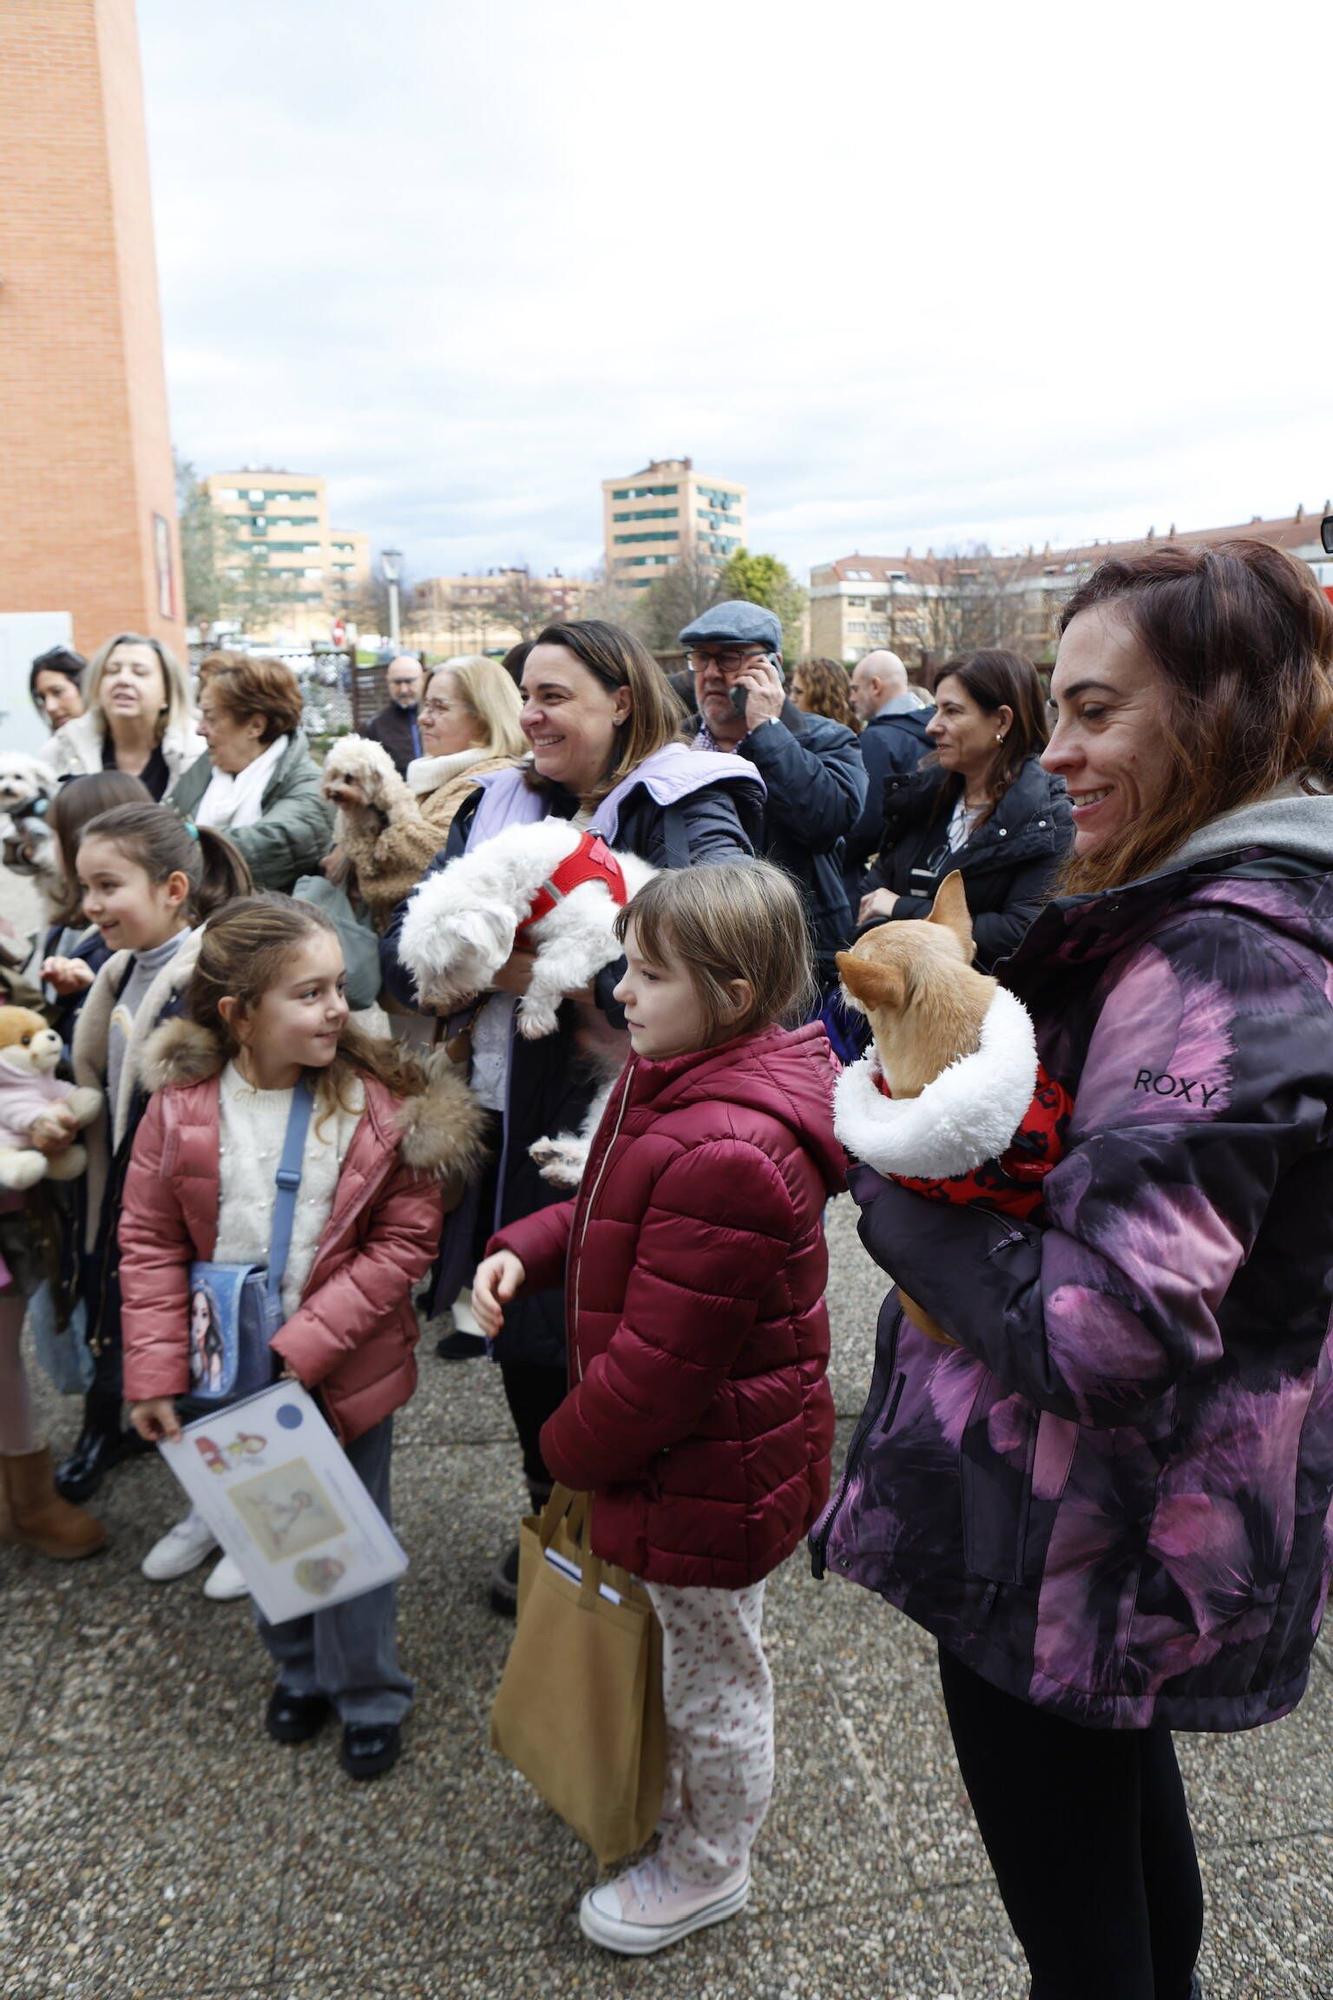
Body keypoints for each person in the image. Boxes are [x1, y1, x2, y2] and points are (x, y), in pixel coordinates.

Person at [814, 539, 1333, 2000]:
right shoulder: (1215, 904)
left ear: (1227, 711)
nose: (1062, 755)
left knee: (1083, 1934)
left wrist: (896, 1190)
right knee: (1121, 1878)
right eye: (1057, 712)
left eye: (1100, 712)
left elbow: (1104, 1332)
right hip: (1116, 1534)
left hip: (1083, 1533)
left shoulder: (1226, 955)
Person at [473, 861, 840, 1954]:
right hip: (709, 1457)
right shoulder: (673, 1074)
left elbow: (660, 1369)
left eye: (645, 971)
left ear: (729, 992)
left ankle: (708, 1861)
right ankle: (678, 1802)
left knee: (717, 1676)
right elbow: (606, 1213)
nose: (617, 988)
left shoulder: (727, 1143)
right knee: (704, 1651)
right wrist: (524, 1249)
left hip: (706, 1467)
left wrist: (565, 1448)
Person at [381, 618, 765, 1613]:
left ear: (622, 698)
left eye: (555, 694)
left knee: (609, 1341)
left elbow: (727, 956)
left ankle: (617, 1535)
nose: (534, 715)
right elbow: (403, 953)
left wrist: (517, 962)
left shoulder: (690, 802)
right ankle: (554, 1517)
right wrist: (498, 962)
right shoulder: (503, 801)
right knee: (520, 1331)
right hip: (510, 1110)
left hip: (619, 1123)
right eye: (527, 695)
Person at [120, 894, 485, 1779]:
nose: (338, 1010)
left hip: (341, 1369)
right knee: (271, 1534)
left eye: (340, 990)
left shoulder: (376, 1105)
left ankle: (369, 1691)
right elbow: (150, 1242)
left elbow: (405, 1244)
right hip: (230, 1368)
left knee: (346, 1543)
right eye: (309, 994)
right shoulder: (182, 1110)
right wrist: (156, 1374)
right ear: (239, 1014)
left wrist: (308, 1346)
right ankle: (298, 1672)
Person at [53, 805, 252, 1524]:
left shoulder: (209, 974)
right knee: (113, 1307)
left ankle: (222, 1497)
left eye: (108, 887)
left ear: (173, 888)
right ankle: (108, 1427)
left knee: (190, 1328)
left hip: (190, 1200)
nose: (90, 905)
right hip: (117, 1185)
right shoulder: (116, 971)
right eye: (85, 887)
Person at [679, 602, 867, 991]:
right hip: (688, 955)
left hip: (792, 964)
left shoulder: (827, 739)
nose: (711, 673)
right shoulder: (671, 746)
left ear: (773, 667)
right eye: (701, 658)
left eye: (729, 657)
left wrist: (766, 730)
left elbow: (826, 821)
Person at [858, 649, 1072, 973]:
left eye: (952, 711)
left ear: (1001, 720)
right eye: (936, 709)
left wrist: (901, 907)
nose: (932, 726)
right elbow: (872, 897)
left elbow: (1020, 930)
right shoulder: (923, 798)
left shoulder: (1045, 816)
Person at [333, 655, 525, 923]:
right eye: (426, 706)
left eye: (439, 707)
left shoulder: (494, 782)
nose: (423, 718)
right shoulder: (437, 775)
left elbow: (423, 863)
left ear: (484, 716)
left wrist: (365, 824)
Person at [169, 653, 334, 894]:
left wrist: (171, 843)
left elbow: (262, 845)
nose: (199, 729)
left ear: (255, 726)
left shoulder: (311, 790)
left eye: (211, 717)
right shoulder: (208, 768)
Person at [35, 773, 152, 1055]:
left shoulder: (120, 936)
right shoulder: (71, 921)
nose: (92, 906)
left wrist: (91, 994)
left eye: (54, 836)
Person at [47, 633, 203, 801]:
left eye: (139, 672)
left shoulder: (197, 751)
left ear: (167, 693)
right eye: (112, 671)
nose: (123, 679)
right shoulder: (63, 747)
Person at [842, 649, 936, 906]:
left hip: (883, 887)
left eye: (854, 688)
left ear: (875, 686)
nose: (850, 698)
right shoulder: (935, 731)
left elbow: (864, 825)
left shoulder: (877, 740)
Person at [363, 655, 425, 776]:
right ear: (388, 682)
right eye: (397, 682)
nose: (403, 690)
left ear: (422, 679)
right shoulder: (375, 727)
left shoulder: (440, 718)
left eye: (409, 681)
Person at [789, 655, 859, 732]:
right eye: (792, 690)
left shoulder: (845, 740)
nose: (791, 699)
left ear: (821, 697)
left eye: (798, 692)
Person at [31, 645, 87, 740]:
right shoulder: (54, 751)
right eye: (42, 698)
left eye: (57, 692)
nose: (50, 707)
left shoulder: (118, 743)